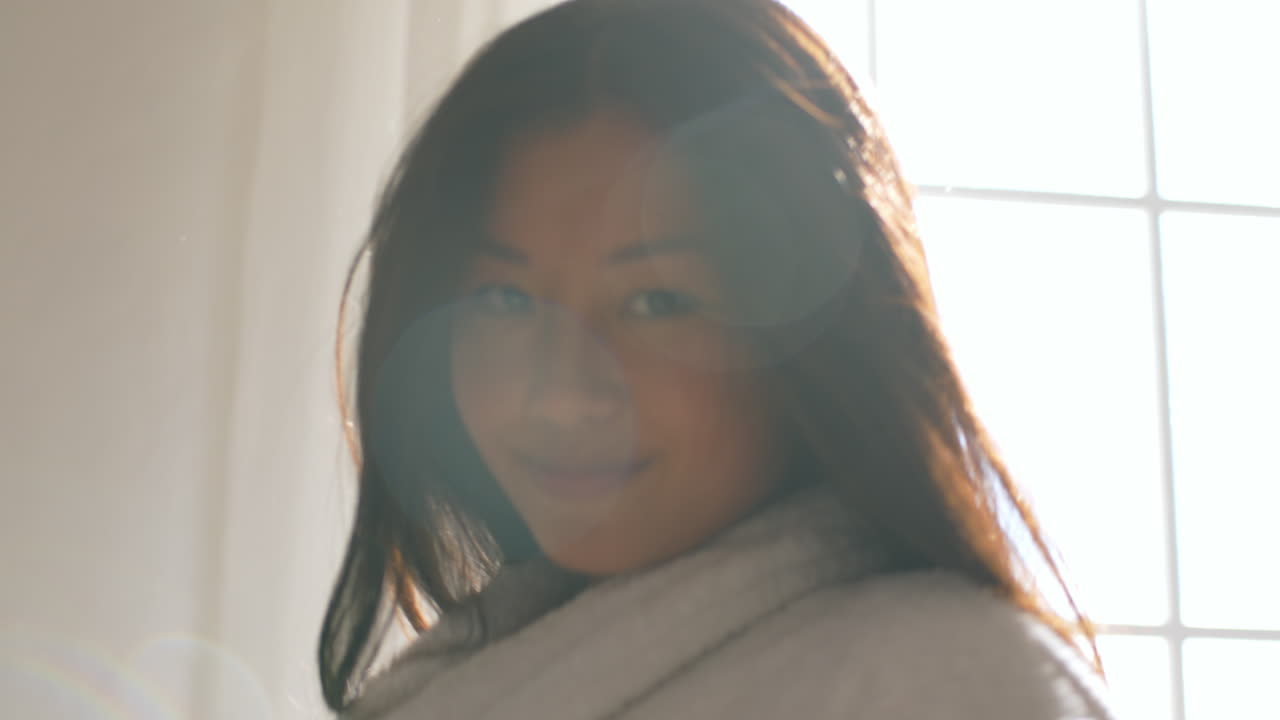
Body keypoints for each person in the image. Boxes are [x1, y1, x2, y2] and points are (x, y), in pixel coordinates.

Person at [318, 0, 1117, 717]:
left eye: (658, 302)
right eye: (503, 301)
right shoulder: (472, 676)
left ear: (816, 333)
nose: (558, 391)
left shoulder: (949, 687)